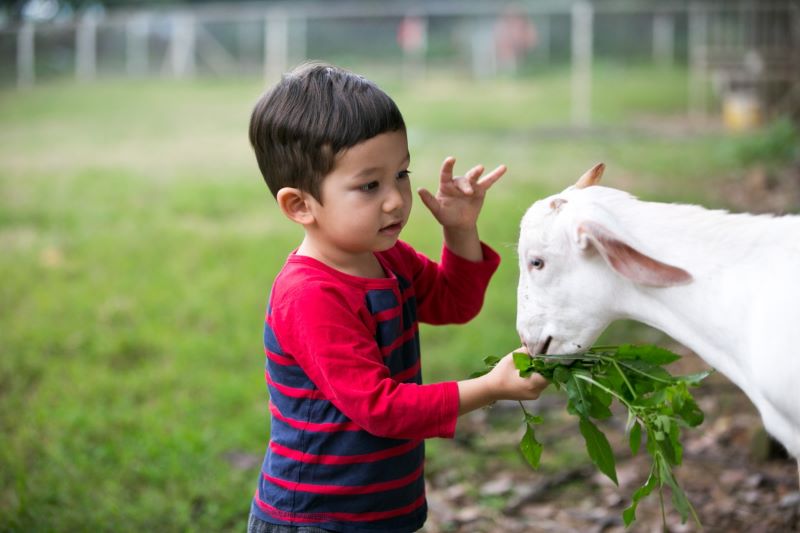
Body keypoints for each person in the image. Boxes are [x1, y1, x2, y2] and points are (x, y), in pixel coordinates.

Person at [246, 61, 548, 533]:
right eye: (369, 185)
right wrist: (490, 388)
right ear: (300, 205)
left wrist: (460, 230)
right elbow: (378, 408)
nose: (395, 200)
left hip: (382, 509)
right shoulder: (310, 296)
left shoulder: (389, 259)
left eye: (401, 174)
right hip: (316, 518)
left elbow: (454, 303)